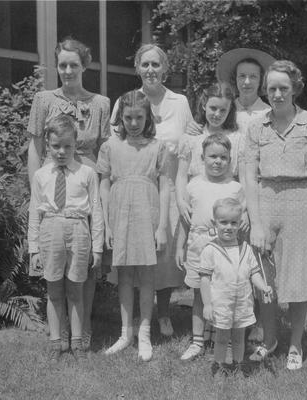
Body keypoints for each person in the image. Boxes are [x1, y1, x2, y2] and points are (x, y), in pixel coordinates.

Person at [244, 60, 307, 370]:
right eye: (272, 88)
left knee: (297, 276)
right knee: (264, 276)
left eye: (283, 88)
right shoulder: (256, 126)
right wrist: (255, 222)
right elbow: (248, 175)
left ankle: (295, 343)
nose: (277, 94)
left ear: (295, 88)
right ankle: (270, 339)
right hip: (265, 200)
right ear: (265, 91)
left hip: (302, 202)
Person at [26, 38, 110, 350]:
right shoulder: (43, 99)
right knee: (56, 270)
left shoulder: (100, 103)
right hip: (52, 185)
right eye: (62, 64)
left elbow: (104, 151)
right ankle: (59, 337)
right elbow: (35, 149)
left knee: (84, 267)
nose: (68, 70)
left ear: (85, 65)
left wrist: (104, 190)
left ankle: (83, 329)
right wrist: (35, 185)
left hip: (86, 182)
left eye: (74, 64)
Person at [109, 44, 195, 336]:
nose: (150, 70)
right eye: (145, 64)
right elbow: (115, 142)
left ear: (165, 68)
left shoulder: (180, 102)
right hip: (137, 186)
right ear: (137, 68)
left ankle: (164, 313)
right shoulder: (126, 101)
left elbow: (190, 137)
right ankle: (133, 319)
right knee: (136, 251)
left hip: (168, 185)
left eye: (155, 65)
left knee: (165, 256)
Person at [98, 90, 171, 361]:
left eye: (139, 117)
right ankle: (125, 332)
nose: (133, 122)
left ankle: (144, 333)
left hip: (147, 214)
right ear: (120, 118)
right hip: (119, 215)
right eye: (128, 117)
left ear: (147, 117)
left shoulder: (157, 147)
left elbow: (165, 187)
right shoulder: (110, 146)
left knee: (147, 276)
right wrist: (106, 225)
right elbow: (104, 184)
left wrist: (162, 225)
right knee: (125, 276)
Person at [27, 114, 104, 358]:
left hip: (78, 230)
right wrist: (34, 248)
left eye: (67, 146)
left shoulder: (86, 173)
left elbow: (96, 210)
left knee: (76, 291)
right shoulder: (41, 175)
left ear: (75, 144)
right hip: (51, 230)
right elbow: (34, 211)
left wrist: (98, 247)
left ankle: (77, 342)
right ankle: (56, 341)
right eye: (56, 146)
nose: (61, 151)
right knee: (54, 292)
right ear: (47, 146)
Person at [216, 48, 276, 344]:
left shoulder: (269, 113)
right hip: (228, 189)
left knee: (257, 257)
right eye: (242, 76)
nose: (247, 82)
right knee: (231, 255)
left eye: (253, 76)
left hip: (258, 190)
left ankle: (260, 322)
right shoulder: (228, 109)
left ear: (261, 80)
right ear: (235, 79)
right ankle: (228, 319)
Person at [175, 134, 246, 361]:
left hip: (225, 249)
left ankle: (218, 338)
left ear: (230, 160)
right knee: (199, 294)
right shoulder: (193, 185)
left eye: (223, 157)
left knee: (224, 294)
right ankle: (197, 340)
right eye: (212, 156)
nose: (218, 161)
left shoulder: (235, 188)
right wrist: (179, 247)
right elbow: (185, 220)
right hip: (198, 244)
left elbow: (240, 224)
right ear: (202, 158)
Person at [199, 198, 273, 375]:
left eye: (233, 223)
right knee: (222, 338)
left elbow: (253, 273)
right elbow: (204, 280)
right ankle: (219, 365)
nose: (228, 227)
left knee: (239, 338)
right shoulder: (210, 249)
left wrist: (263, 286)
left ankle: (238, 365)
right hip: (221, 304)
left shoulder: (245, 248)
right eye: (223, 222)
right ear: (214, 222)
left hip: (241, 303)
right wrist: (207, 304)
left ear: (240, 224)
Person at [175, 82, 241, 225]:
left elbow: (244, 179)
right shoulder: (191, 138)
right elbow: (181, 176)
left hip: (227, 213)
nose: (217, 114)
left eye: (223, 110)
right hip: (196, 207)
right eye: (213, 108)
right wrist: (180, 201)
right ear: (204, 105)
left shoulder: (237, 139)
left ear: (230, 110)